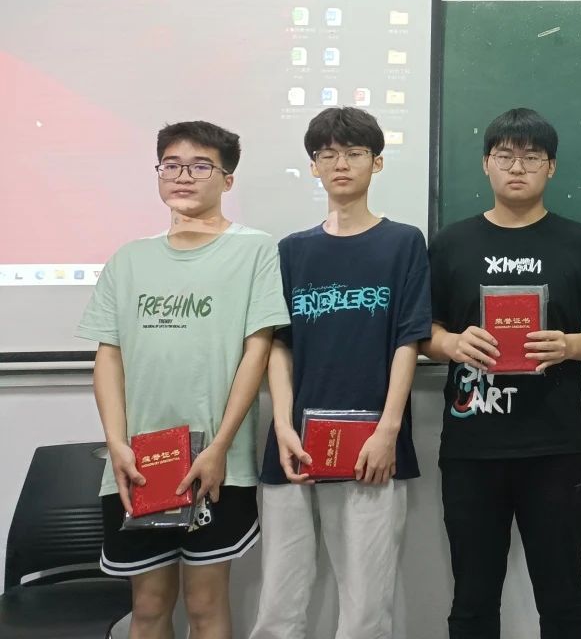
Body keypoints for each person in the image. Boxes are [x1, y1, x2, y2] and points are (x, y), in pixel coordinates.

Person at [79, 120, 289, 639]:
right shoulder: (129, 258)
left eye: (199, 166)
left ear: (227, 179)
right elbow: (109, 356)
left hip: (215, 463)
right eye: (171, 165)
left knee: (205, 603)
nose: (183, 176)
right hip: (138, 465)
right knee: (149, 606)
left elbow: (257, 351)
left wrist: (219, 447)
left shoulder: (255, 250)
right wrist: (116, 444)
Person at [423, 107, 581, 639]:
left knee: (562, 595)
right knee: (472, 598)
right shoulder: (451, 243)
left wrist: (571, 344)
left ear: (550, 167)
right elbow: (425, 332)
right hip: (471, 448)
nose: (517, 167)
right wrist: (453, 343)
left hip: (553, 446)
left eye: (532, 157)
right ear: (485, 163)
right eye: (505, 155)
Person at [250, 107, 430, 639]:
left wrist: (388, 431)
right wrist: (282, 425)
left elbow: (408, 340)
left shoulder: (403, 243)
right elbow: (278, 346)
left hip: (371, 445)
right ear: (313, 166)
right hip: (294, 446)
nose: (341, 164)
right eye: (327, 154)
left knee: (366, 609)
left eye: (354, 153)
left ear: (377, 162)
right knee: (278, 605)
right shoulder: (292, 251)